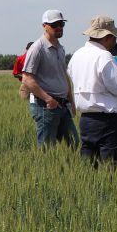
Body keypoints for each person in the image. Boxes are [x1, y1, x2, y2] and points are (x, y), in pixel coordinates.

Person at [67, 15, 117, 167]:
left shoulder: (77, 55)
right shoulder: (103, 56)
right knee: (112, 169)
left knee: (89, 168)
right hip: (108, 122)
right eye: (114, 37)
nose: (115, 41)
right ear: (106, 37)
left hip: (86, 121)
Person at [21, 10, 79, 147]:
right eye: (54, 25)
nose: (59, 27)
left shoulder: (60, 48)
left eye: (61, 24)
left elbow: (63, 76)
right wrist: (48, 99)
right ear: (44, 26)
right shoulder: (37, 48)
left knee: (73, 143)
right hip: (45, 106)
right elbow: (26, 79)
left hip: (63, 105)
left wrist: (71, 102)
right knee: (47, 148)